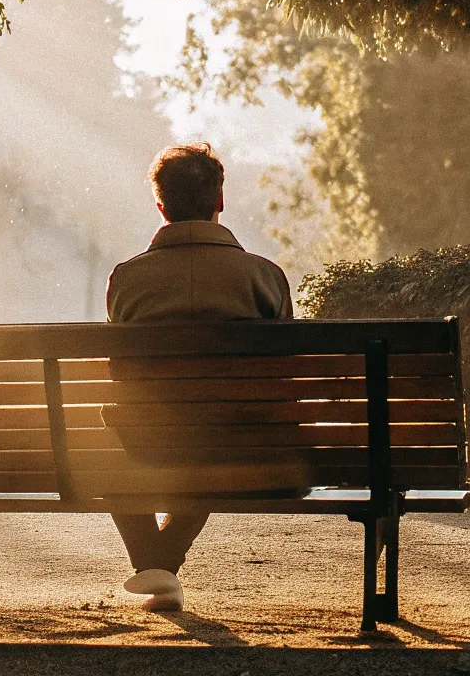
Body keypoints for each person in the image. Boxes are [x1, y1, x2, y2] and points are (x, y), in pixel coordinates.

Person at [105, 142, 291, 612]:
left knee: (102, 454)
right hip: (244, 449)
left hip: (151, 442)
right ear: (219, 201)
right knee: (219, 436)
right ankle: (162, 564)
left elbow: (121, 373)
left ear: (160, 204)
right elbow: (287, 373)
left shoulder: (127, 280)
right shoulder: (264, 277)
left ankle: (156, 564)